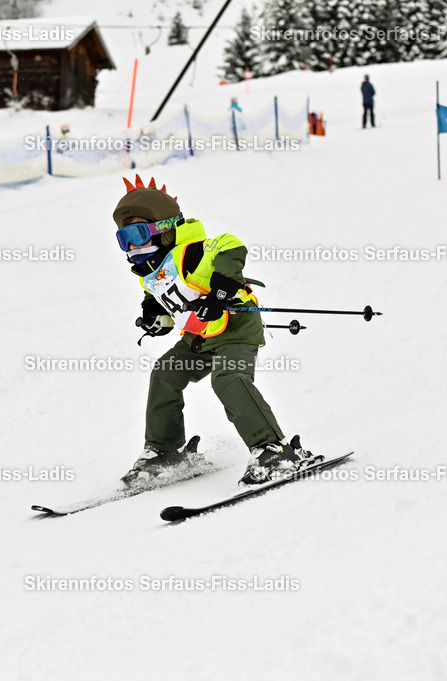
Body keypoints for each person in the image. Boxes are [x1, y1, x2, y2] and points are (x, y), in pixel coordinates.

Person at [112, 175, 321, 489]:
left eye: (137, 234)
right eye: (123, 238)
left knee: (228, 378)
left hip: (236, 325)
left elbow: (230, 246)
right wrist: (155, 314)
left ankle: (275, 451)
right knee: (165, 373)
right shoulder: (150, 272)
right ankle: (165, 453)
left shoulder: (194, 252)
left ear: (165, 229)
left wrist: (221, 291)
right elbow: (169, 298)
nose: (131, 246)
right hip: (200, 336)